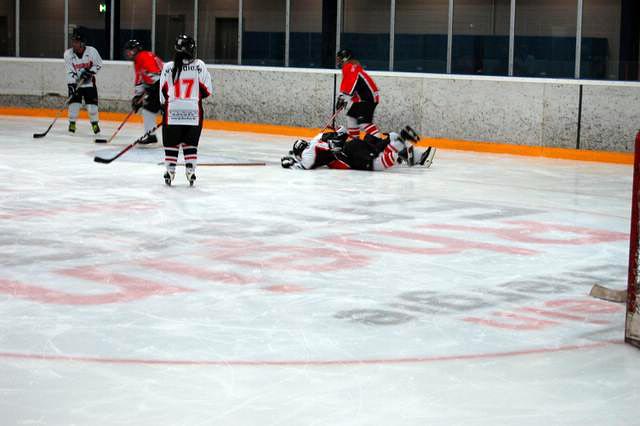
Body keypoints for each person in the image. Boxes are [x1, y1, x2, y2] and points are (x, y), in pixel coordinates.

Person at [159, 34, 213, 186]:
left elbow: (163, 95)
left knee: (171, 143)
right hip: (194, 113)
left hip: (172, 113)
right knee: (190, 143)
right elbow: (207, 91)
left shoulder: (167, 67)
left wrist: (167, 107)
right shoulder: (199, 65)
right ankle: (190, 170)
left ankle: (170, 170)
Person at [282, 126, 435, 171]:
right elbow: (342, 131)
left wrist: (290, 162)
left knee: (377, 159)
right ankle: (413, 156)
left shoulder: (309, 153)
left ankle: (400, 140)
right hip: (354, 144)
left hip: (351, 154)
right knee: (375, 142)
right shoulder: (317, 139)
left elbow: (305, 164)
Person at [123, 39, 164, 144]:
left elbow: (156, 74)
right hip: (159, 86)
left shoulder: (143, 56)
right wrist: (138, 96)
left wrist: (152, 87)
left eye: (129, 50)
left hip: (163, 87)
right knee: (148, 110)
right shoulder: (139, 59)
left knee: (164, 112)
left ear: (135, 50)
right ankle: (151, 136)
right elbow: (140, 78)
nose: (127, 53)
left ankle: (176, 137)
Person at [335, 49, 382, 140]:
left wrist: (344, 98)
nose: (338, 62)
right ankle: (355, 141)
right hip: (361, 99)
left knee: (364, 122)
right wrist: (342, 97)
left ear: (345, 58)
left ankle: (379, 142)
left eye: (339, 59)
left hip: (368, 98)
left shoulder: (351, 67)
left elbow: (352, 83)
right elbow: (347, 84)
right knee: (351, 117)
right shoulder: (350, 67)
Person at [64, 32, 103, 134]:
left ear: (82, 43)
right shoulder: (68, 54)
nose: (74, 44)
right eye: (73, 42)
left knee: (92, 107)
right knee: (74, 105)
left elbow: (98, 64)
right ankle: (72, 124)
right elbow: (69, 71)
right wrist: (71, 84)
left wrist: (90, 72)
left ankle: (95, 124)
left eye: (76, 42)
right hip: (76, 83)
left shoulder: (92, 51)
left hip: (89, 84)